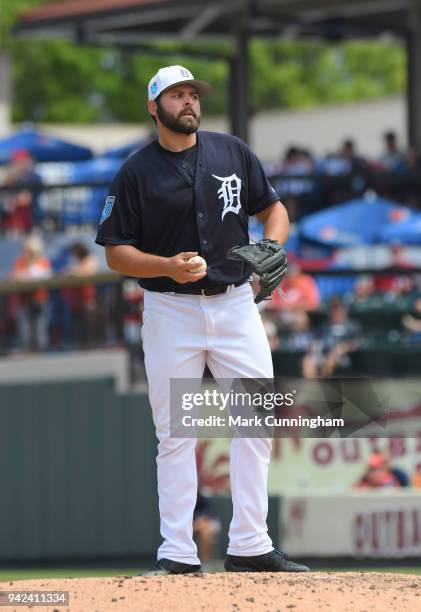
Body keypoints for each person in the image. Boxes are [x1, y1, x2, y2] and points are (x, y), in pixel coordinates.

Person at [96, 65, 309, 575]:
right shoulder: (135, 173)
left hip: (236, 302)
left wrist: (271, 245)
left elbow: (273, 208)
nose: (188, 102)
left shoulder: (231, 151)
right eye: (176, 95)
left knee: (256, 420)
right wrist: (167, 266)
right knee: (176, 433)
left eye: (192, 94)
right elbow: (116, 254)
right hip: (171, 308)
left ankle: (251, 544)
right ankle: (177, 553)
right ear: (154, 107)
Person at [10, 235, 52, 351]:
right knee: (25, 332)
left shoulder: (42, 261)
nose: (29, 253)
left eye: (31, 251)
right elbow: (15, 276)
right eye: (27, 250)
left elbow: (47, 275)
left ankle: (40, 353)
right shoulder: (20, 261)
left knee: (40, 332)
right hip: (24, 300)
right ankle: (28, 352)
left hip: (39, 300)